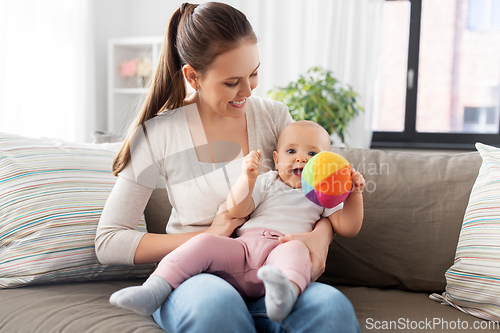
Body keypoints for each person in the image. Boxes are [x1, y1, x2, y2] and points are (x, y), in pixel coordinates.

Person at [95, 2, 362, 332]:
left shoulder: (274, 117)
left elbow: (315, 192)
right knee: (216, 308)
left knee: (331, 308)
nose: (248, 91)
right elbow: (109, 241)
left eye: (254, 73)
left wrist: (321, 237)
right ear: (193, 76)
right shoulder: (158, 134)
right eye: (232, 81)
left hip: (272, 272)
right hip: (199, 279)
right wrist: (208, 236)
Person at [109, 120, 365, 322]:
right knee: (206, 242)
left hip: (283, 248)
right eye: (291, 151)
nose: (301, 159)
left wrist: (354, 194)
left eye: (312, 154)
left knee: (296, 250)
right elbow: (238, 207)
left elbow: (348, 227)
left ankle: (284, 296)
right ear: (276, 160)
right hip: (243, 248)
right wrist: (248, 178)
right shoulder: (268, 181)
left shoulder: (322, 194)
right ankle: (154, 289)